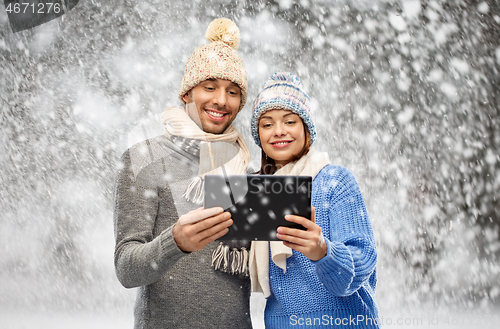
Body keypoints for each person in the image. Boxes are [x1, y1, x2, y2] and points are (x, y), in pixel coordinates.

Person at [113, 18, 253, 328]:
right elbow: (125, 267)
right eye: (210, 86)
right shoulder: (143, 159)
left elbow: (258, 270)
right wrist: (174, 242)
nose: (220, 100)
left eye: (233, 92)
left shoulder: (244, 168)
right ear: (187, 93)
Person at [249, 73, 380, 328]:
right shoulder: (258, 192)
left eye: (289, 121)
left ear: (306, 128)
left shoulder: (334, 181)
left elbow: (362, 260)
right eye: (267, 124)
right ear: (259, 136)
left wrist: (324, 252)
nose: (278, 131)